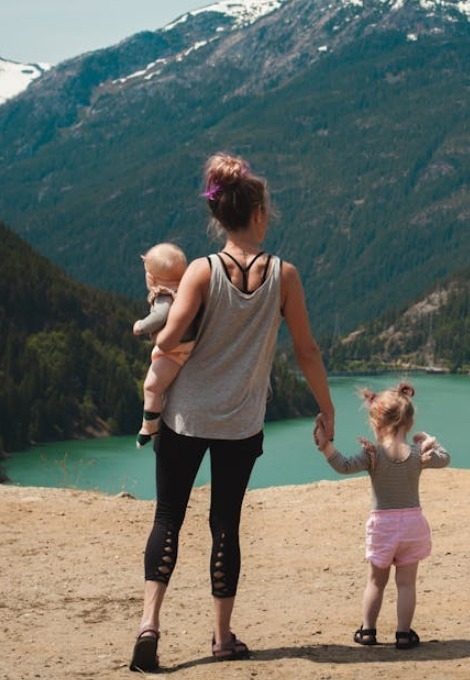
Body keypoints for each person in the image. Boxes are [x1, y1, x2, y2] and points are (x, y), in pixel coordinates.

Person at [128, 152, 336, 672]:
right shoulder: (285, 276)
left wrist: (160, 323)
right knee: (226, 523)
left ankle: (149, 625)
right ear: (260, 214)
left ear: (219, 217)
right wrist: (327, 407)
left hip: (185, 417)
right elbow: (306, 350)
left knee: (168, 517)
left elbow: (169, 338)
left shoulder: (201, 271)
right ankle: (222, 638)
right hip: (241, 423)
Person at [313, 381, 451, 650]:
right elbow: (445, 458)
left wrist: (325, 446)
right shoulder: (418, 454)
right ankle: (403, 634)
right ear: (409, 423)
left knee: (376, 582)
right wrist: (429, 440)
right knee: (406, 584)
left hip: (383, 528)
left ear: (375, 423)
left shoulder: (373, 455)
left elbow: (344, 466)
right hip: (412, 526)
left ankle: (368, 631)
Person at [132, 242, 196, 448]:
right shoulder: (188, 290)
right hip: (193, 345)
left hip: (175, 352)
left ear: (150, 278)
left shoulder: (163, 295)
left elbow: (160, 316)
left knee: (151, 386)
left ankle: (149, 426)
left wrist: (141, 326)